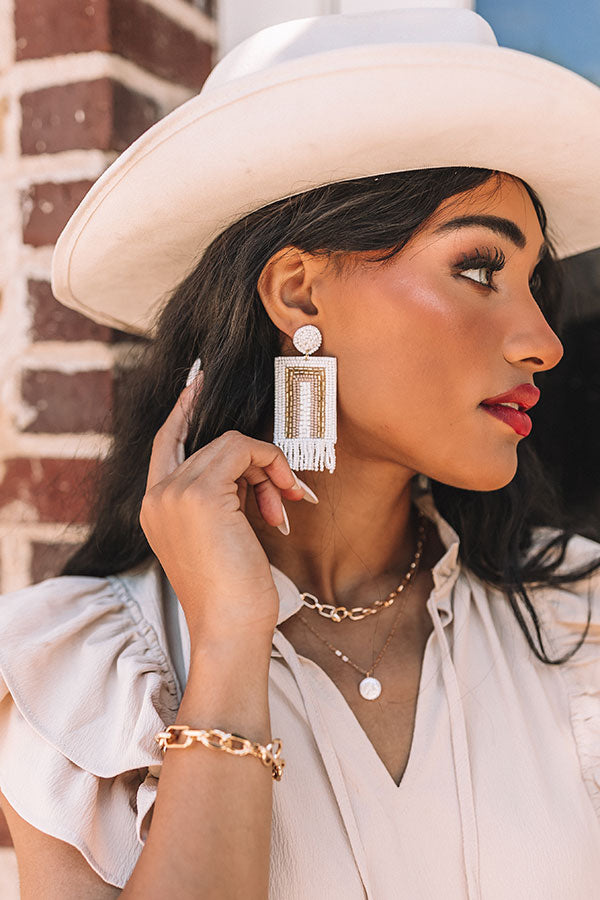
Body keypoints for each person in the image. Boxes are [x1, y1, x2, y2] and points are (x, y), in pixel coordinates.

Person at [0, 7, 599, 899]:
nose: (545, 341)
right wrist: (234, 641)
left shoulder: (574, 622)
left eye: (535, 286)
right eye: (480, 269)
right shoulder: (86, 676)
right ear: (296, 291)